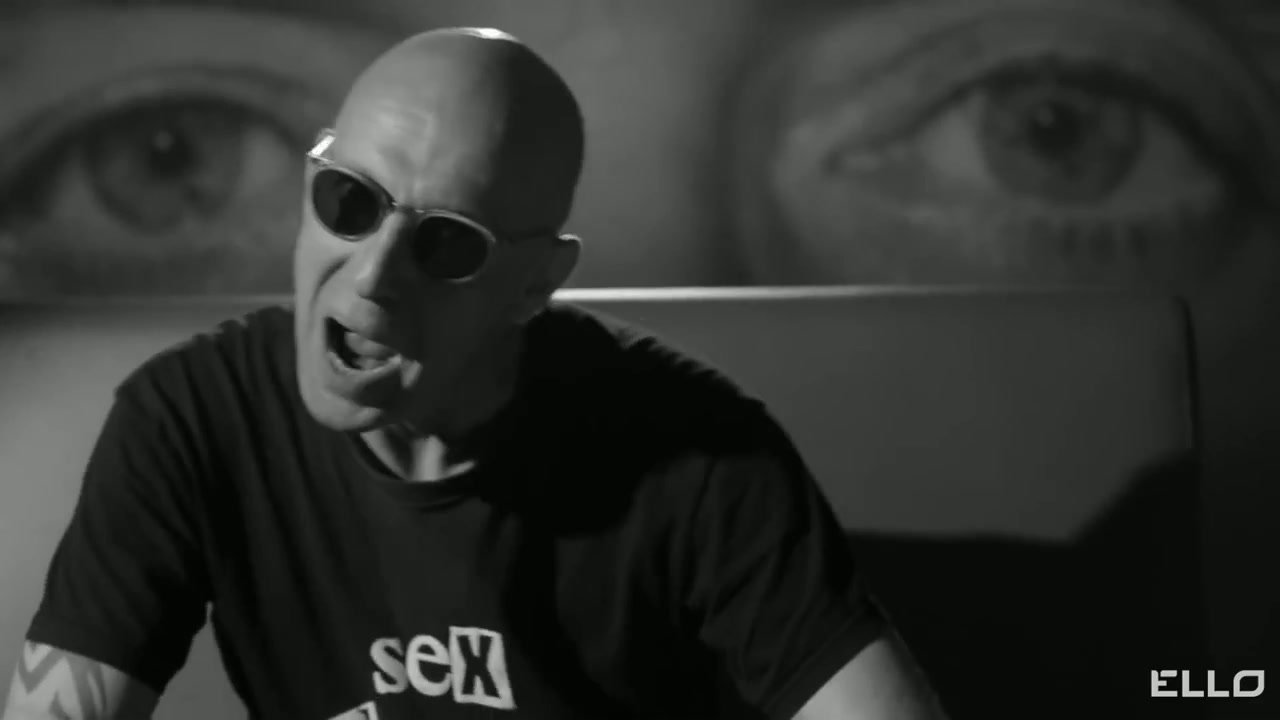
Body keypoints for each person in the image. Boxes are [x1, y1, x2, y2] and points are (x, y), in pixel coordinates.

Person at [2, 28, 946, 720]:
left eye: (448, 246)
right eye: (348, 201)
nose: (371, 279)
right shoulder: (191, 419)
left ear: (535, 284)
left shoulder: (700, 452)